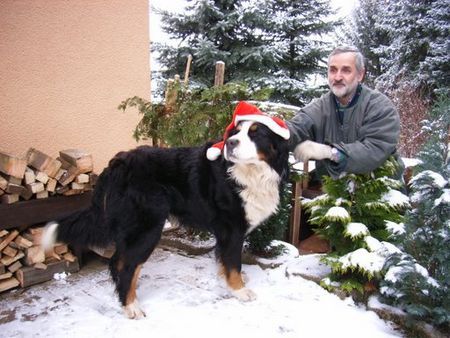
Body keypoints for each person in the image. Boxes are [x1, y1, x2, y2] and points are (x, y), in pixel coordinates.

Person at [287, 45, 403, 181]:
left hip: (383, 191)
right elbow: (296, 128)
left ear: (360, 74)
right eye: (333, 70)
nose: (337, 77)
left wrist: (330, 152)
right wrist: (268, 128)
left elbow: (374, 149)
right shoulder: (320, 107)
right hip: (335, 192)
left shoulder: (380, 107)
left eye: (346, 70)